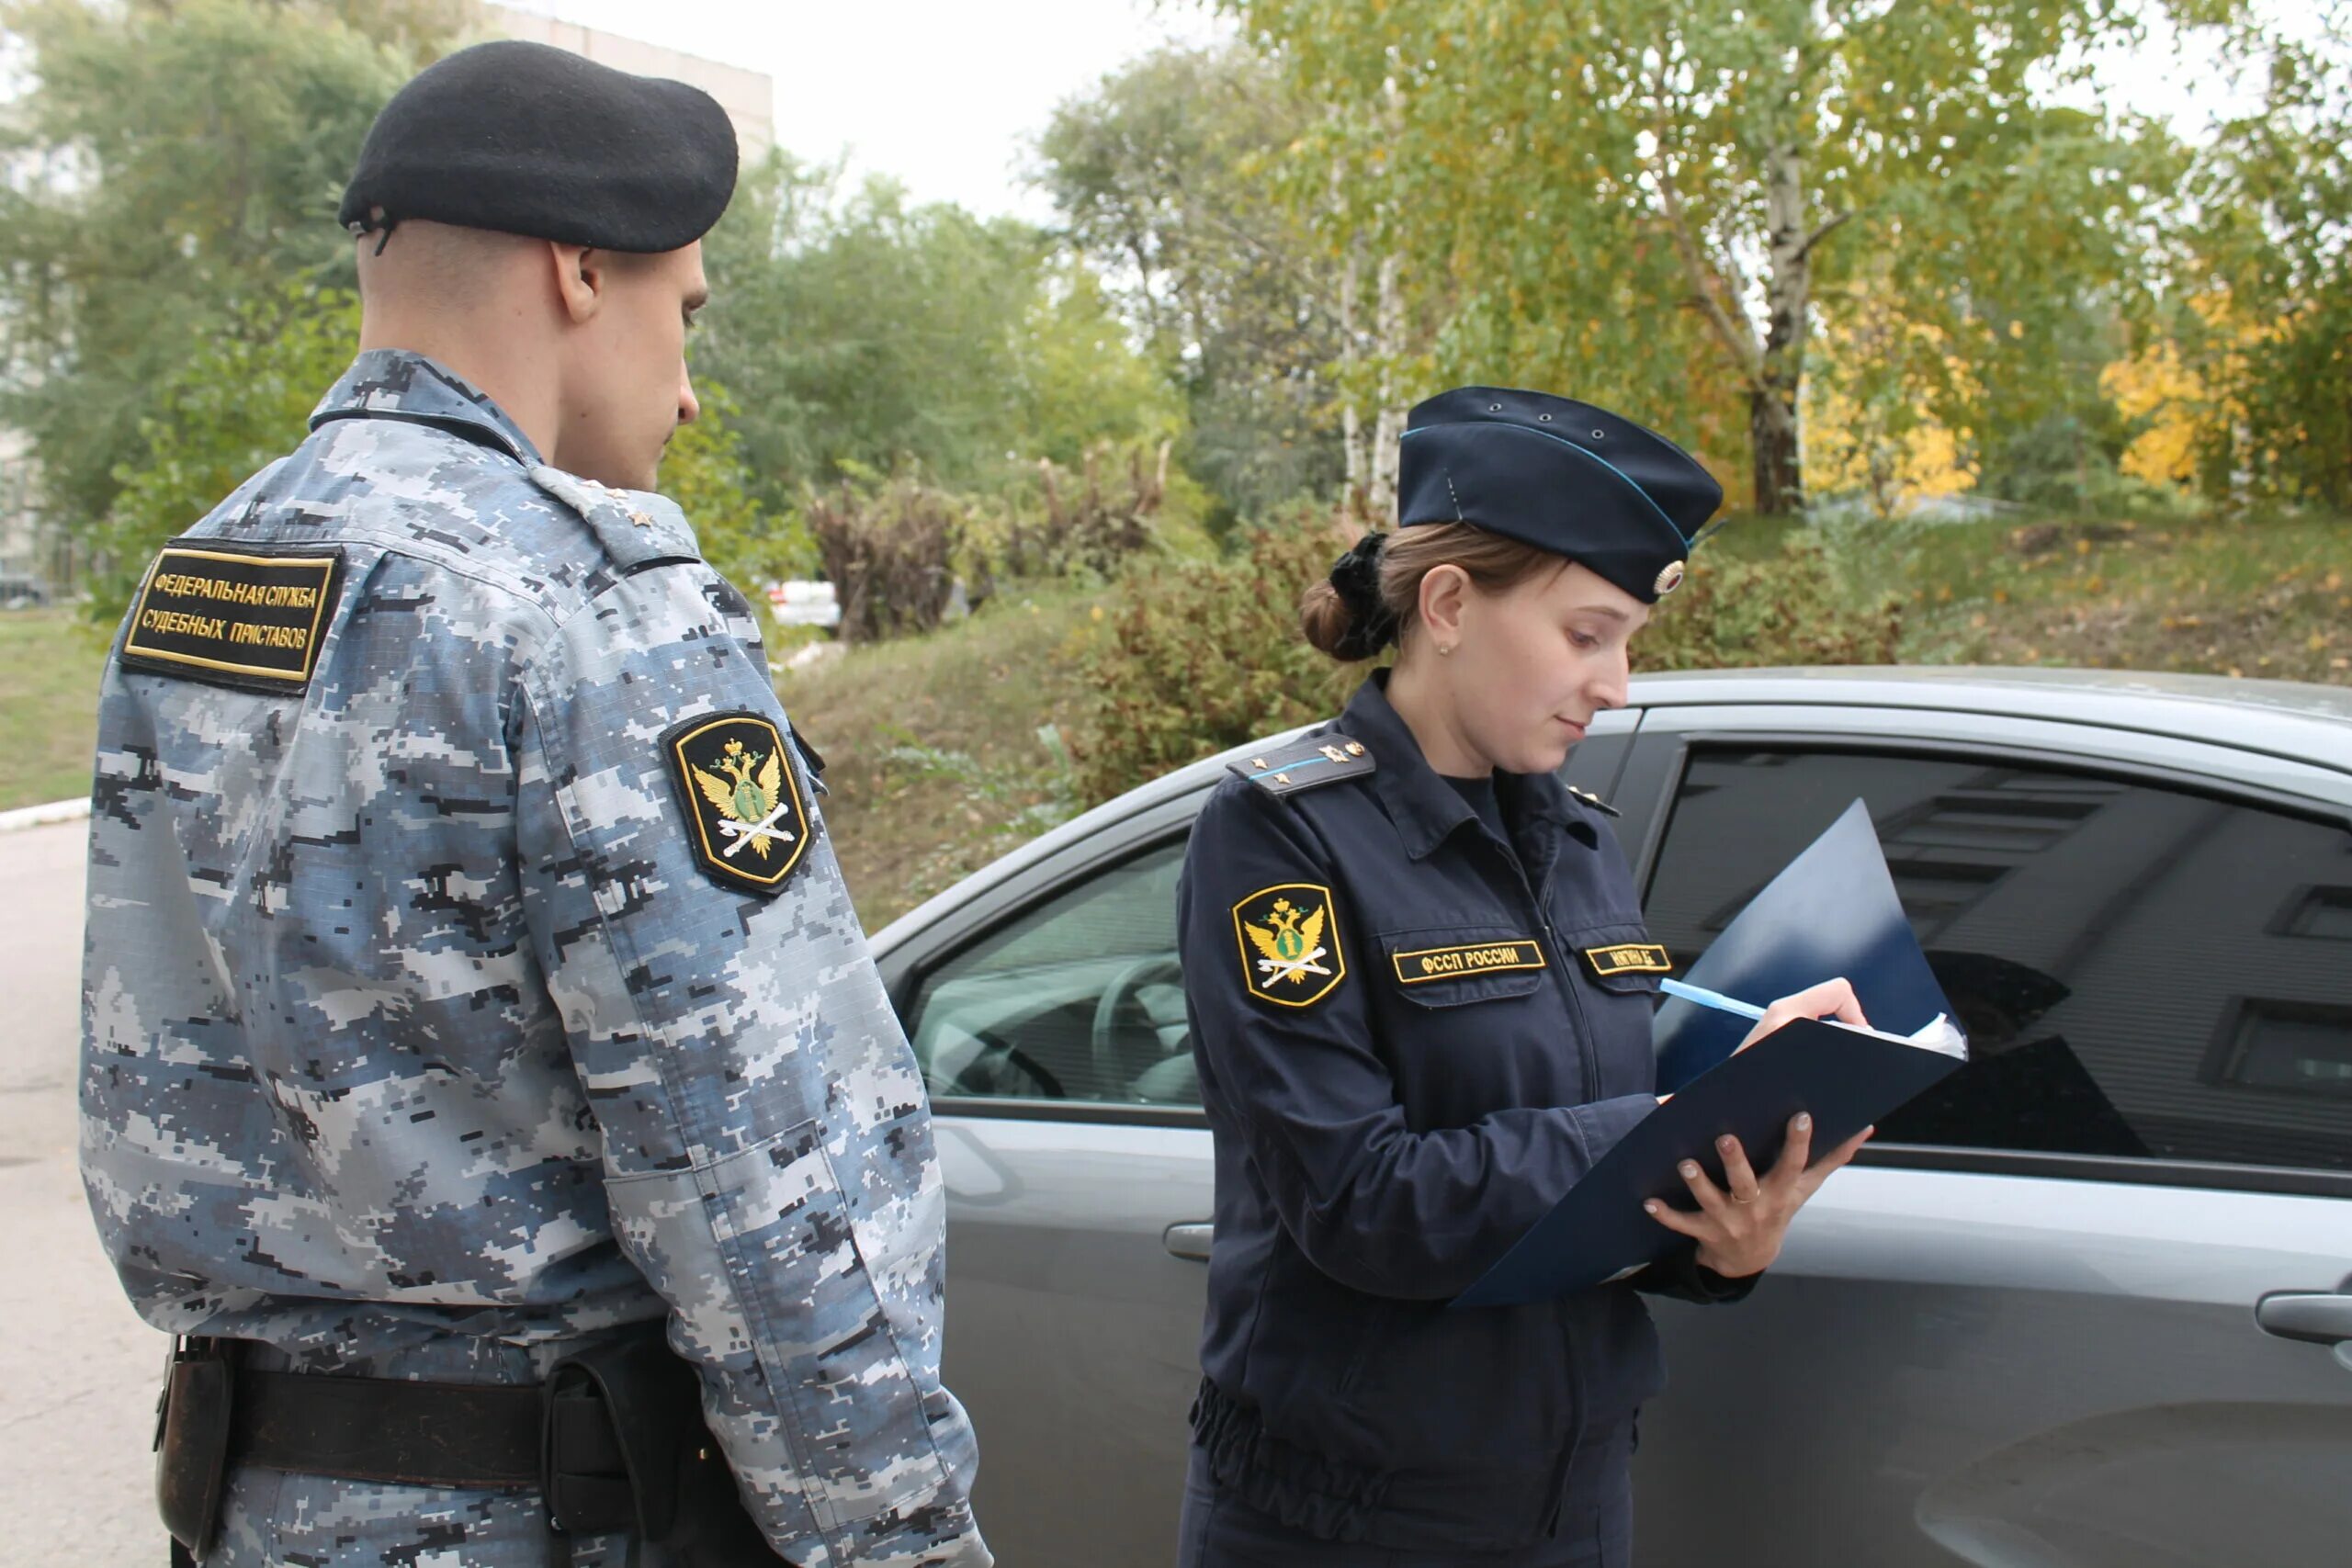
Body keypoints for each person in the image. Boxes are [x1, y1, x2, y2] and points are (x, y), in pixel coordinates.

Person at [80, 40, 989, 1568]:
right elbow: (753, 1163)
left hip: (254, 1515)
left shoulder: (197, 585)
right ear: (580, 271)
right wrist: (903, 1539)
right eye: (681, 309)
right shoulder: (589, 605)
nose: (689, 389)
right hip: (554, 1517)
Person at [1173, 386, 1874, 1566]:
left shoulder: (1581, 839)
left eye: (1626, 645)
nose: (1615, 685)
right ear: (1447, 604)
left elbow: (1580, 1184)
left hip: (1572, 1493)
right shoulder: (1281, 837)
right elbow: (1359, 1201)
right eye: (1586, 635)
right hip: (1349, 1516)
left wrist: (1720, 1243)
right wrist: (1661, 1124)